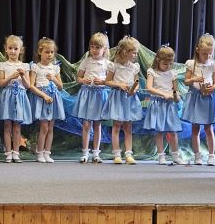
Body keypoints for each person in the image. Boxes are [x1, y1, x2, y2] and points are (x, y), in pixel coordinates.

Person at [182, 33, 215, 166]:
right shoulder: (192, 64)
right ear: (198, 50)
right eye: (205, 53)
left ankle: (211, 156)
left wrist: (213, 88)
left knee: (209, 128)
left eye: (210, 53)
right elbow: (186, 81)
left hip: (208, 98)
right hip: (195, 97)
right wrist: (194, 79)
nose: (208, 56)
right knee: (195, 129)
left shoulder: (214, 65)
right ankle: (197, 155)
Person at [102, 35, 142, 164]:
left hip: (129, 98)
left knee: (128, 127)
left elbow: (137, 82)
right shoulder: (114, 66)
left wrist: (134, 89)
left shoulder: (134, 67)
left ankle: (129, 154)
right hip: (118, 97)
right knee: (116, 126)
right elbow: (107, 82)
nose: (136, 55)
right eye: (134, 53)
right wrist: (119, 84)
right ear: (125, 52)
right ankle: (117, 154)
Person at [143, 45, 185, 165]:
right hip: (158, 104)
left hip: (170, 105)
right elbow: (149, 88)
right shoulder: (152, 72)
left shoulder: (172, 73)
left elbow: (175, 90)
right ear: (158, 60)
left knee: (173, 131)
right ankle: (161, 156)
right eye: (165, 64)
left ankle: (175, 156)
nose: (168, 66)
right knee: (159, 131)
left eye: (170, 63)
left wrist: (176, 96)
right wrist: (163, 94)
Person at [73, 32, 110, 163]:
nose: (94, 50)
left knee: (97, 125)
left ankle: (96, 153)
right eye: (92, 47)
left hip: (99, 95)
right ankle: (85, 152)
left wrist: (103, 81)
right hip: (87, 94)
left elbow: (110, 80)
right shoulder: (86, 61)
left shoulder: (107, 64)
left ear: (104, 49)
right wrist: (83, 80)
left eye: (97, 47)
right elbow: (78, 78)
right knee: (86, 124)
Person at [29, 37, 65, 163]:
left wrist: (54, 79)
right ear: (40, 52)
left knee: (50, 128)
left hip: (53, 97)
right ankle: (40, 153)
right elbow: (31, 86)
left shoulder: (55, 68)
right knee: (44, 127)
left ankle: (47, 153)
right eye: (47, 52)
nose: (49, 54)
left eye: (52, 52)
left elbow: (60, 87)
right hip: (42, 98)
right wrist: (43, 95)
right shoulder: (35, 67)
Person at [0, 35, 31, 163]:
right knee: (7, 126)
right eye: (10, 48)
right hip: (7, 96)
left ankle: (16, 153)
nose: (12, 51)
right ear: (6, 49)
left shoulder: (25, 66)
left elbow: (28, 86)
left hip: (20, 97)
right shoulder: (2, 65)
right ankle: (8, 153)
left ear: (21, 50)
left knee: (17, 126)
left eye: (15, 48)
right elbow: (1, 84)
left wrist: (23, 76)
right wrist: (11, 77)